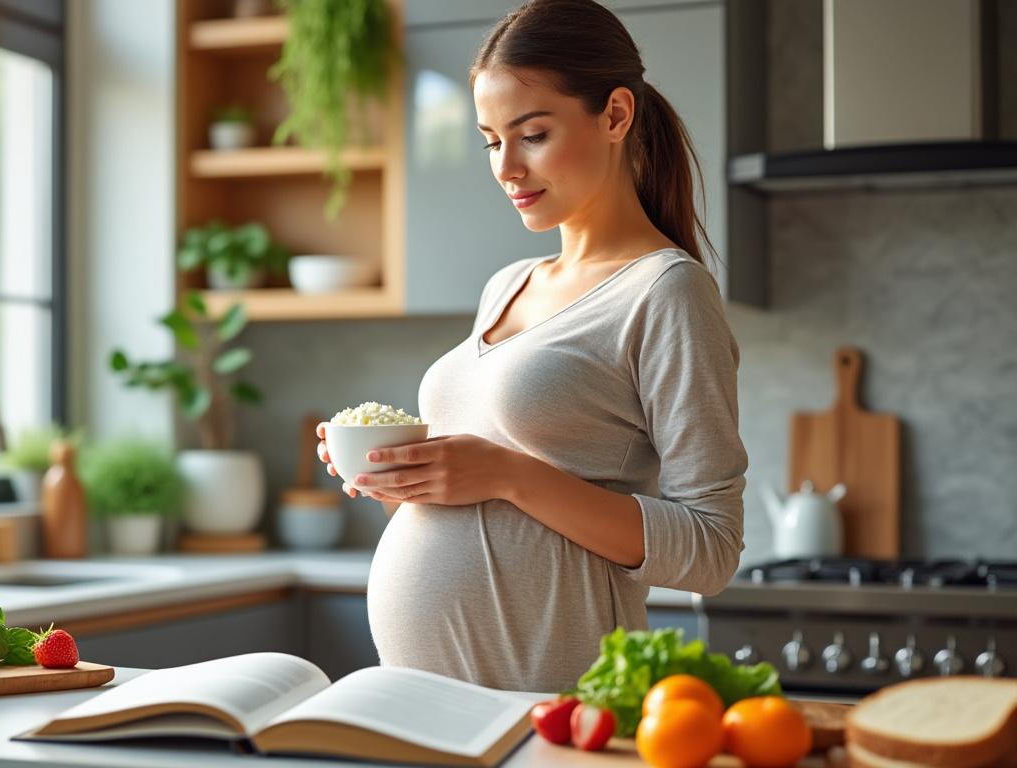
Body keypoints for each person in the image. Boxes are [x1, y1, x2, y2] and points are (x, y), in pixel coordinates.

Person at [315, 0, 748, 693]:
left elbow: (711, 549)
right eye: (491, 140)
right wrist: (404, 482)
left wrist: (505, 474)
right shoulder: (508, 286)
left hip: (552, 700)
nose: (507, 168)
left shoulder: (667, 291)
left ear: (614, 116)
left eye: (533, 134)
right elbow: (493, 514)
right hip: (427, 702)